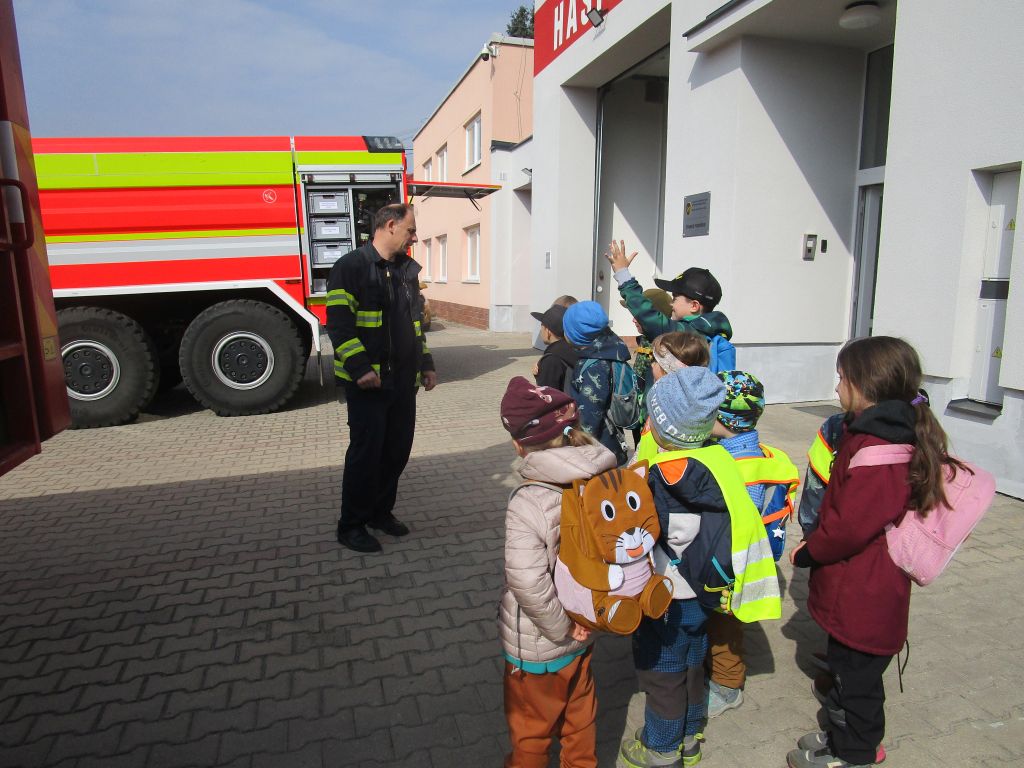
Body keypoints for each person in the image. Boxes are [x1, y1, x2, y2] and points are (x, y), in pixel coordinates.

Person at [787, 336, 965, 768]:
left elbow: (850, 525)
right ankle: (842, 733)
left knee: (857, 680)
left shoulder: (879, 450)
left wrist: (810, 551)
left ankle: (856, 752)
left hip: (864, 590)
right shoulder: (874, 433)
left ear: (866, 385)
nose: (836, 387)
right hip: (859, 586)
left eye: (842, 378)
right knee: (846, 670)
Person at [499, 376, 616, 768]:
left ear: (519, 445)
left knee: (531, 731)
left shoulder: (529, 500)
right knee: (580, 719)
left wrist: (562, 628)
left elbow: (527, 580)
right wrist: (579, 626)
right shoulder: (600, 476)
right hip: (587, 625)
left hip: (542, 643)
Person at [619, 366, 727, 768]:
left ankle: (662, 749)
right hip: (705, 588)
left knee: (664, 672)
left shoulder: (662, 479)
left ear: (662, 425)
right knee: (694, 660)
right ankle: (691, 735)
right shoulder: (716, 465)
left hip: (668, 594)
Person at [326, 203, 437, 553]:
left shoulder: (406, 270)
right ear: (390, 226)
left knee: (396, 452)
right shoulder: (350, 268)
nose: (414, 237)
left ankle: (380, 513)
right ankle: (351, 525)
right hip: (369, 384)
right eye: (410, 230)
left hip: (403, 381)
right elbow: (339, 325)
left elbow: (415, 324)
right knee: (366, 455)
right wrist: (360, 368)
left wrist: (426, 363)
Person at [705, 371, 799, 719]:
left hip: (732, 564)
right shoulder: (759, 453)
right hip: (738, 559)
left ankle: (727, 687)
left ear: (724, 418)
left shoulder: (737, 469)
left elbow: (736, 525)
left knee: (724, 627)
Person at [606, 241, 735, 372]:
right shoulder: (707, 333)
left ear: (694, 306)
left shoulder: (689, 336)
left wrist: (623, 275)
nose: (671, 303)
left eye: (675, 298)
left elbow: (647, 316)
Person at [562, 301, 633, 465]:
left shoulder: (593, 367)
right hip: (610, 441)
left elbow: (590, 414)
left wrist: (577, 445)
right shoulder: (608, 351)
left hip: (600, 451)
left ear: (575, 334)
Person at [623, 289, 673, 444]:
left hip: (654, 420)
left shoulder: (666, 345)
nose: (633, 320)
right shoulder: (646, 339)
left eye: (637, 316)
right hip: (639, 416)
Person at [531, 304, 578, 392]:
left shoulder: (551, 359)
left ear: (548, 331)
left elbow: (547, 395)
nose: (540, 330)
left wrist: (541, 373)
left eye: (542, 325)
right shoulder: (574, 349)